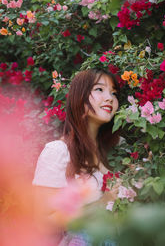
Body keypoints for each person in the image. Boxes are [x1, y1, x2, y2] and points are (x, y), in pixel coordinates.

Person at [32, 68, 120, 245]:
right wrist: (103, 201)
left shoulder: (119, 149)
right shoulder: (58, 152)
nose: (110, 98)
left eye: (113, 93)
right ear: (80, 97)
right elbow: (43, 222)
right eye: (99, 89)